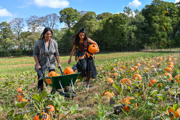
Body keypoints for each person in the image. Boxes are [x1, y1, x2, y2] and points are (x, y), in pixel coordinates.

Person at [33, 27, 61, 91]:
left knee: (53, 76)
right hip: (41, 62)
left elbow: (56, 54)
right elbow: (35, 54)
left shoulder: (54, 43)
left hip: (51, 62)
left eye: (50, 34)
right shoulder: (39, 43)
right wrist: (37, 64)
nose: (49, 36)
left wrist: (59, 63)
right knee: (40, 78)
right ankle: (41, 93)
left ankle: (53, 93)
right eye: (47, 34)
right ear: (44, 34)